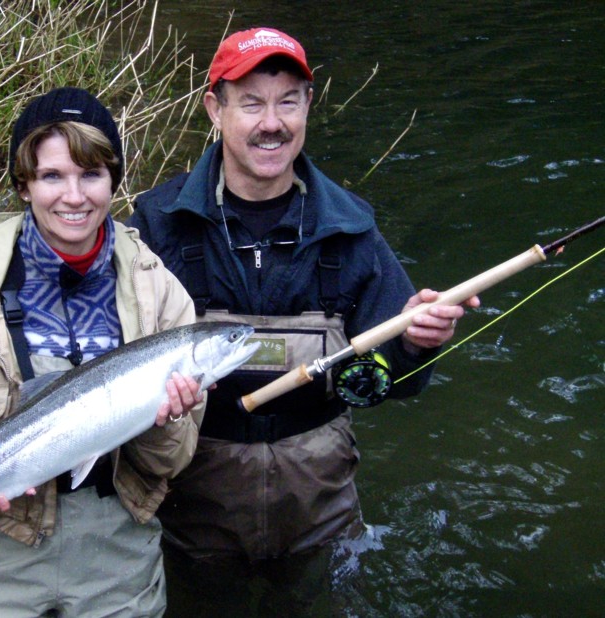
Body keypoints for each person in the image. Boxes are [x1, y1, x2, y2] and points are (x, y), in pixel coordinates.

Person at [127, 27, 479, 612]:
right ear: (215, 109)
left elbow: (403, 384)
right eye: (252, 103)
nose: (273, 123)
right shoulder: (158, 225)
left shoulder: (351, 228)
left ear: (308, 106)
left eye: (288, 100)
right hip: (191, 520)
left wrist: (417, 344)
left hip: (321, 518)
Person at [0, 86, 205, 617]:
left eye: (92, 175)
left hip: (119, 546)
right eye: (52, 176)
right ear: (24, 184)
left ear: (113, 181)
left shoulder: (160, 290)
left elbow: (174, 458)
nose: (74, 196)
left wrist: (167, 420)